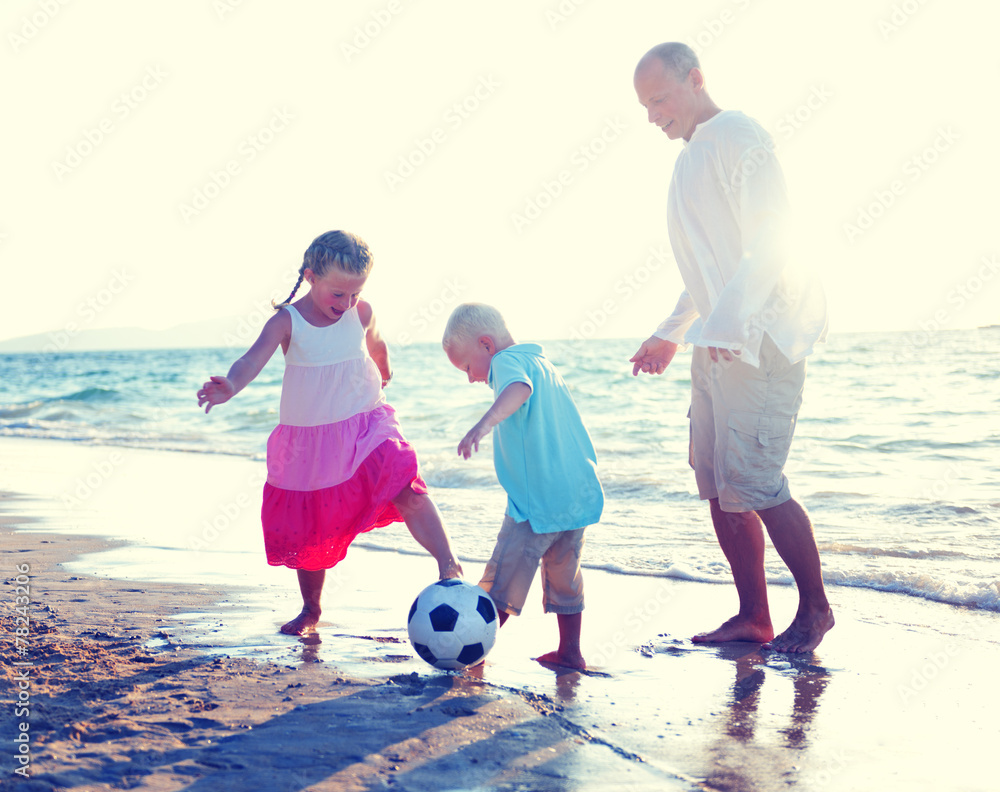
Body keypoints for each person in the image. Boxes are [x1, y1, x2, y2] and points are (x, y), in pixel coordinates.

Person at [629, 43, 834, 653]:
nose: (652, 116)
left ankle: (817, 610)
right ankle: (753, 616)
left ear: (696, 80)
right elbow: (710, 266)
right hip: (718, 341)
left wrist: (728, 323)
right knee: (717, 482)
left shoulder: (740, 135)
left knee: (756, 481)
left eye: (659, 99)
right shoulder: (689, 158)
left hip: (761, 339)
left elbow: (772, 240)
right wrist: (673, 330)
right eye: (644, 105)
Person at [197, 230, 462, 636]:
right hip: (311, 439)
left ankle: (449, 564)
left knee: (404, 479)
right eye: (338, 294)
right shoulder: (288, 320)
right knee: (311, 526)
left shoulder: (362, 312)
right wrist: (231, 385)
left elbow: (376, 345)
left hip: (367, 421)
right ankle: (311, 609)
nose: (347, 304)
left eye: (355, 294)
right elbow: (251, 360)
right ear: (310, 277)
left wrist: (383, 370)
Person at [443, 303, 603, 670]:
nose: (470, 378)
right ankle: (571, 652)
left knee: (502, 582)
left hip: (536, 502)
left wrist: (482, 426)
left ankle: (470, 651)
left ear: (486, 344)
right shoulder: (543, 362)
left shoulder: (505, 364)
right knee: (566, 580)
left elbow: (518, 389)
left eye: (467, 367)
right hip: (574, 497)